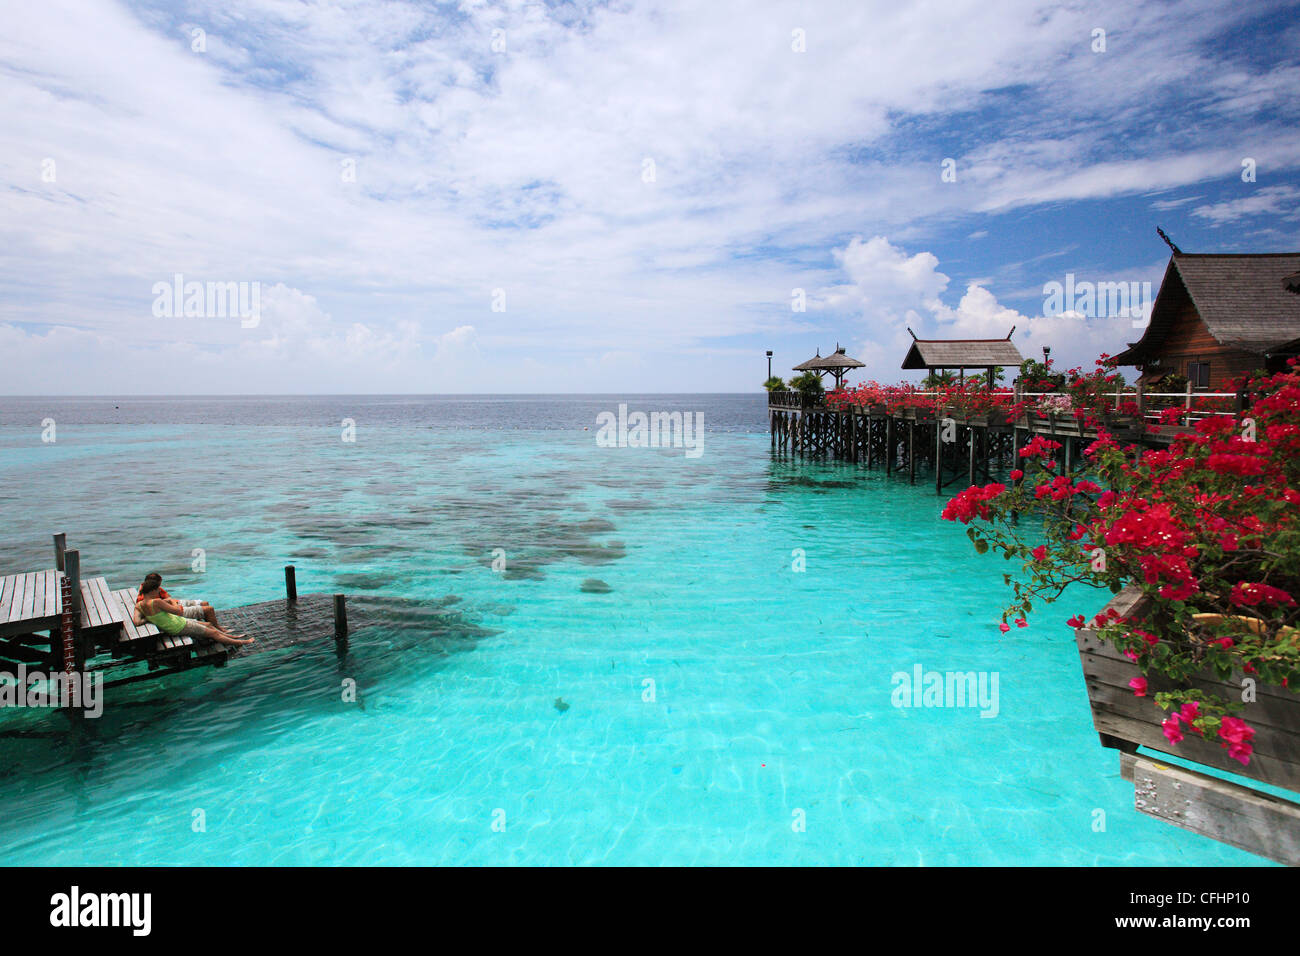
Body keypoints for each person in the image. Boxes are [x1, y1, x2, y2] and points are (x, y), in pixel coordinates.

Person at [134, 578, 253, 647]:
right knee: (213, 634)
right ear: (153, 590)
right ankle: (241, 642)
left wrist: (150, 618)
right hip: (179, 626)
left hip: (175, 624)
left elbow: (137, 622)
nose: (159, 592)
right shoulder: (157, 602)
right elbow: (177, 611)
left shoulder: (139, 605)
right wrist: (171, 601)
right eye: (158, 590)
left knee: (209, 625)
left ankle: (233, 636)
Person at [135, 572, 222, 628]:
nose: (159, 588)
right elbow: (173, 609)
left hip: (173, 605)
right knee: (209, 609)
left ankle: (214, 627)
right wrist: (170, 602)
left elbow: (168, 597)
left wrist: (169, 601)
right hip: (174, 610)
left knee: (205, 603)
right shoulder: (147, 599)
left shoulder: (148, 590)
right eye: (158, 585)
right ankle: (217, 628)